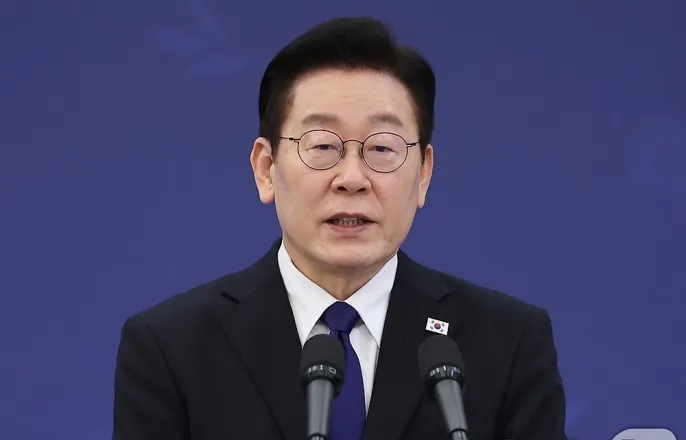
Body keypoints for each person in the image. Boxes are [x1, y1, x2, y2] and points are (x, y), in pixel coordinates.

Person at [112, 16, 568, 440]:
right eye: (323, 146)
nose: (352, 178)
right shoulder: (172, 348)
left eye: (382, 148)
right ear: (266, 168)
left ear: (423, 174)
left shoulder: (507, 343)